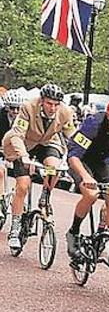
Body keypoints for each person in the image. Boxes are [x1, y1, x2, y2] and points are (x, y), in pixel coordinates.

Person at [2, 83, 76, 252]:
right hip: (24, 143)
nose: (53, 108)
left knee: (54, 167)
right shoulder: (28, 107)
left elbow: (72, 135)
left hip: (48, 143)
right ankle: (15, 228)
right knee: (23, 185)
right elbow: (17, 133)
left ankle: (45, 196)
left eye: (56, 104)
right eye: (49, 103)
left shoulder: (65, 112)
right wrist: (24, 157)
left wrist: (77, 156)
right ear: (42, 101)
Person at [64, 97, 109, 260]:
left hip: (104, 161)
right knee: (91, 194)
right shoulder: (94, 124)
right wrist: (85, 176)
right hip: (81, 160)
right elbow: (74, 155)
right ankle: (73, 232)